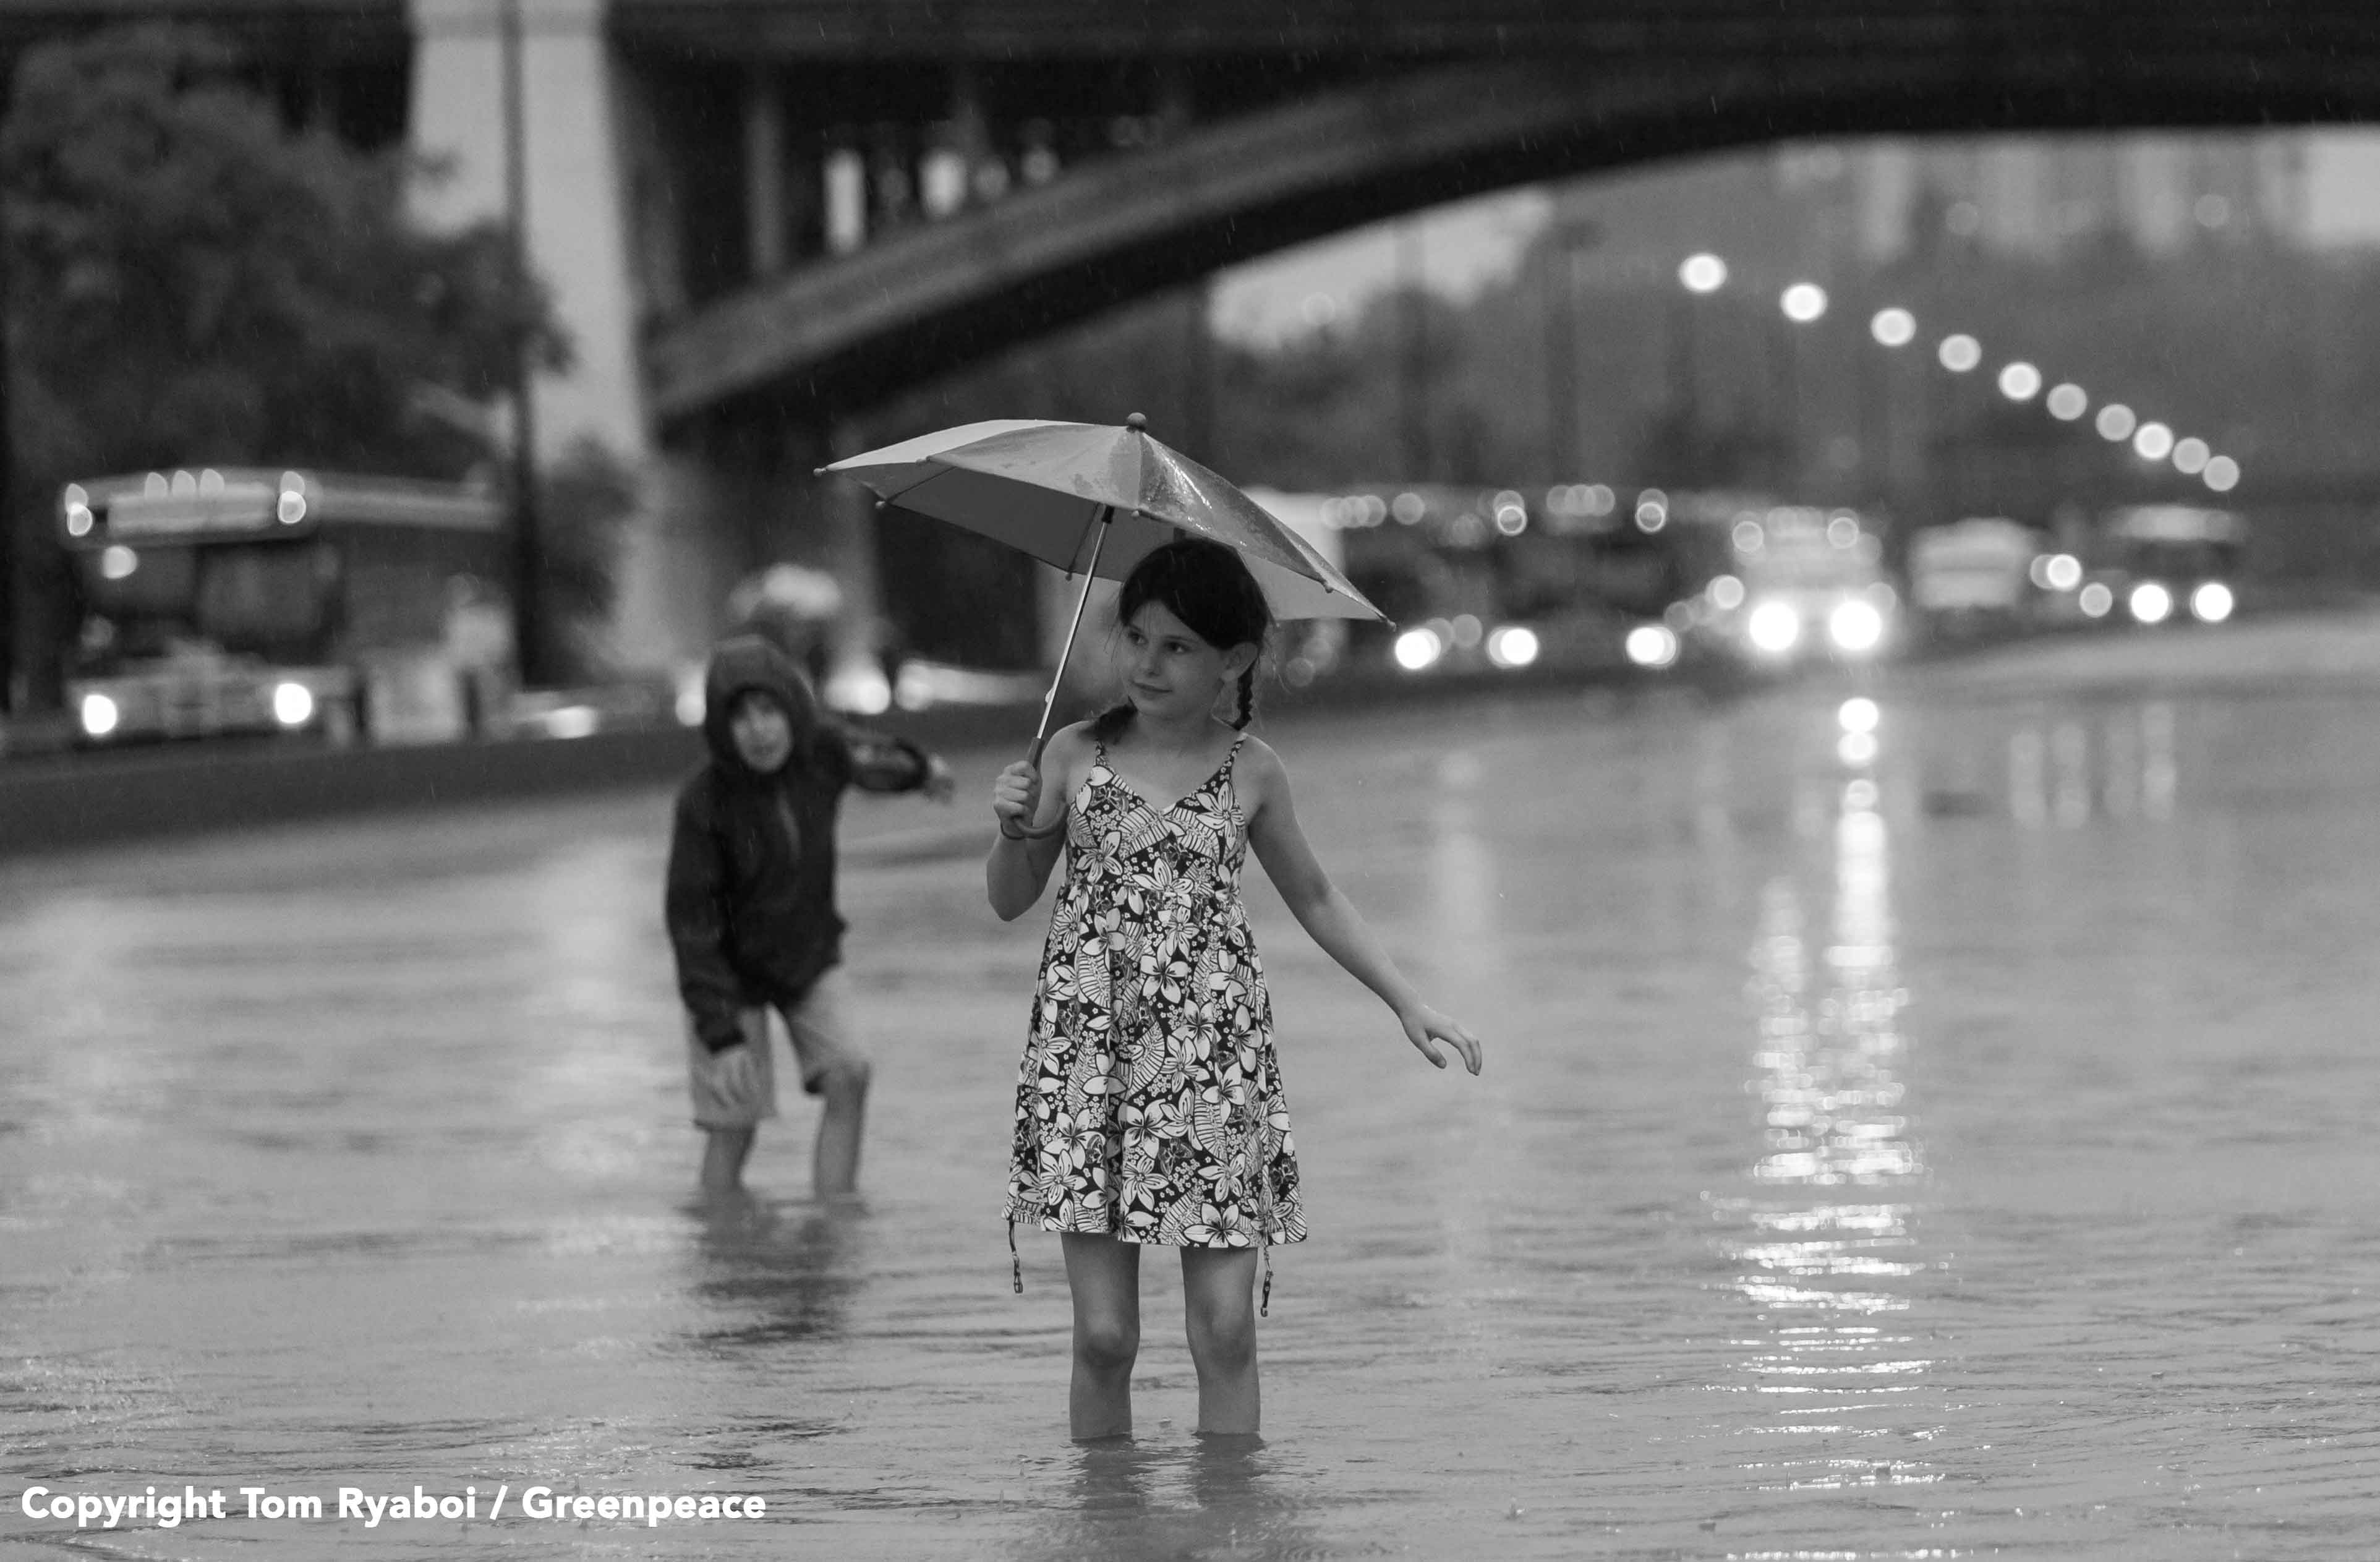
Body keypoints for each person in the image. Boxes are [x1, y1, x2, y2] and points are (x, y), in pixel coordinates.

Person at [985, 537, 1485, 1441]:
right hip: (1084, 1064)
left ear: (1236, 659)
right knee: (1103, 1337)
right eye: (1134, 637)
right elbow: (1008, 899)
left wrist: (1409, 1000)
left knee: (1223, 1331)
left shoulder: (1254, 770)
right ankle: (1109, 1533)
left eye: (1176, 646)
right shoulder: (1071, 753)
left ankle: (1232, 1526)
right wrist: (1016, 827)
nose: (1146, 662)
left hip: (1214, 1072)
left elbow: (1319, 898)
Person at [667, 634, 955, 1199]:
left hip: (808, 953)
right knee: (734, 1123)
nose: (760, 730)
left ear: (793, 711)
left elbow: (871, 756)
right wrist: (720, 1035)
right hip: (728, 979)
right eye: (742, 718)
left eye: (770, 710)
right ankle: (723, 1255)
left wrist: (920, 771)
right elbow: (692, 928)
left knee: (850, 1073)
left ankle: (835, 1223)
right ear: (722, 731)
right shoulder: (702, 801)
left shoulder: (821, 750)